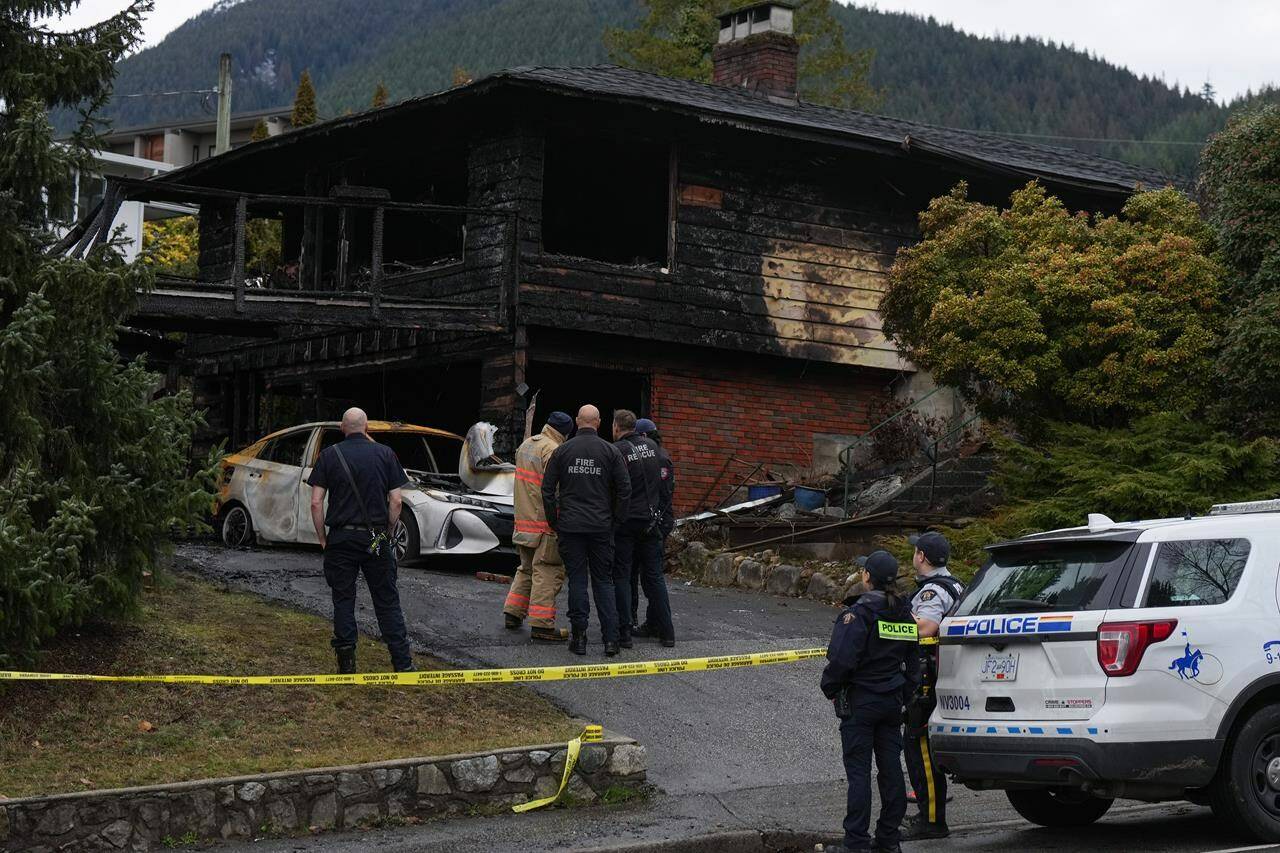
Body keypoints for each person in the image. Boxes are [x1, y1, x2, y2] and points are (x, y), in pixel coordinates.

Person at [820, 550, 919, 853]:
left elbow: (842, 659)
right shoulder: (903, 612)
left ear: (867, 577)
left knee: (859, 775)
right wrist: (904, 693)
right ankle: (889, 841)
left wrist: (830, 687)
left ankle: (856, 844)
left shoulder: (860, 613)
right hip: (891, 702)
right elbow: (913, 662)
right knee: (891, 772)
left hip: (861, 703)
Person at [307, 407, 414, 674]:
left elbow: (316, 503)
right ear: (367, 429)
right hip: (376, 536)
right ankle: (402, 664)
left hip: (341, 537)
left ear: (343, 428)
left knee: (343, 599)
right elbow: (397, 501)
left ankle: (346, 666)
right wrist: (387, 532)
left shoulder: (329, 455)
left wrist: (322, 539)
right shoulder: (386, 454)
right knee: (387, 600)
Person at [541, 404, 631, 656]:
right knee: (604, 582)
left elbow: (547, 491)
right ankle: (610, 641)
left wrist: (554, 521)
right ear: (599, 423)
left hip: (570, 527)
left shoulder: (562, 451)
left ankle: (579, 638)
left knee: (577, 581)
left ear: (578, 422)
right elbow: (625, 490)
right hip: (601, 527)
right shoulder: (610, 452)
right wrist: (616, 521)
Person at [901, 531, 965, 841]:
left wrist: (892, 621)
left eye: (915, 551)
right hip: (940, 674)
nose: (913, 555)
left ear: (922, 556)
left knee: (920, 747)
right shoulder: (955, 584)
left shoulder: (932, 591)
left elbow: (925, 626)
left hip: (927, 678)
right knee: (917, 744)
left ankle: (932, 820)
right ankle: (927, 814)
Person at [502, 411, 573, 642]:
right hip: (544, 524)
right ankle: (542, 625)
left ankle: (513, 613)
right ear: (565, 432)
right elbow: (556, 491)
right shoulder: (553, 450)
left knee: (527, 569)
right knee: (547, 571)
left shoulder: (526, 445)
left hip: (523, 523)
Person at [611, 410, 676, 648]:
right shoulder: (655, 451)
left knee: (624, 576)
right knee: (654, 578)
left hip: (629, 523)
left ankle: (625, 631)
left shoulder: (620, 450)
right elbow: (665, 492)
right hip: (652, 522)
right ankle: (667, 632)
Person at [631, 417, 676, 638]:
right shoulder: (658, 454)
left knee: (651, 576)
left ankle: (659, 626)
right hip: (653, 522)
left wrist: (655, 523)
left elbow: (664, 496)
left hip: (654, 524)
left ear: (645, 436)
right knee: (648, 576)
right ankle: (654, 623)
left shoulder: (659, 458)